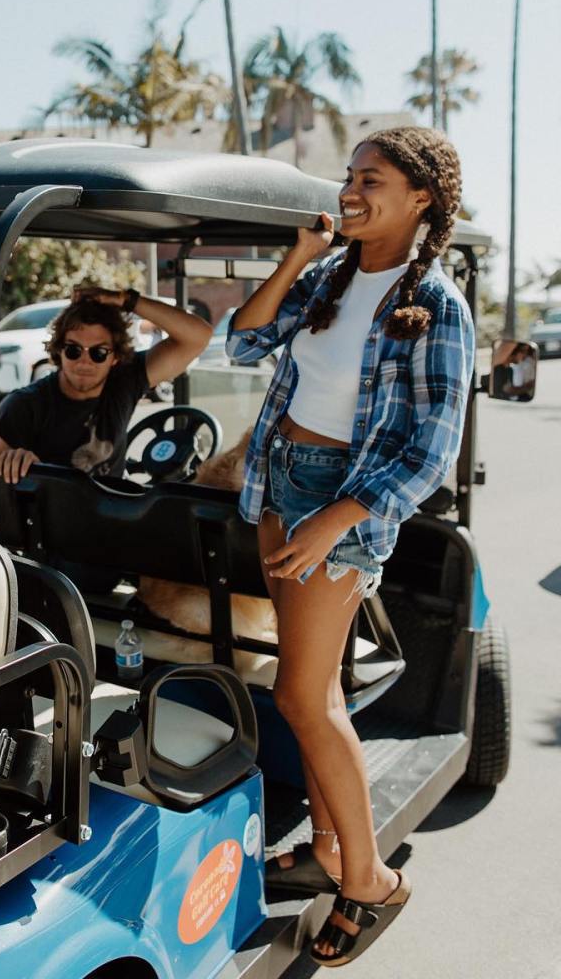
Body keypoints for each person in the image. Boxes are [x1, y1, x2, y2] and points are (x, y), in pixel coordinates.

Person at [228, 127, 474, 966]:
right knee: (319, 685)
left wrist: (335, 519)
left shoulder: (437, 304)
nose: (350, 190)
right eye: (350, 176)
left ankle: (371, 880)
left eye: (372, 179)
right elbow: (243, 343)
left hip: (344, 504)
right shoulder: (330, 277)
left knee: (302, 698)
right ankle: (331, 850)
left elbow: (432, 451)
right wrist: (297, 258)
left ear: (420, 198)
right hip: (278, 484)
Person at [0, 288, 212, 484]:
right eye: (73, 350)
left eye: (98, 352)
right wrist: (14, 460)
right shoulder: (23, 406)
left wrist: (126, 299)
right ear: (59, 350)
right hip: (53, 513)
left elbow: (198, 337)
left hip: (115, 508)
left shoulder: (125, 381)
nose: (84, 362)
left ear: (115, 357)